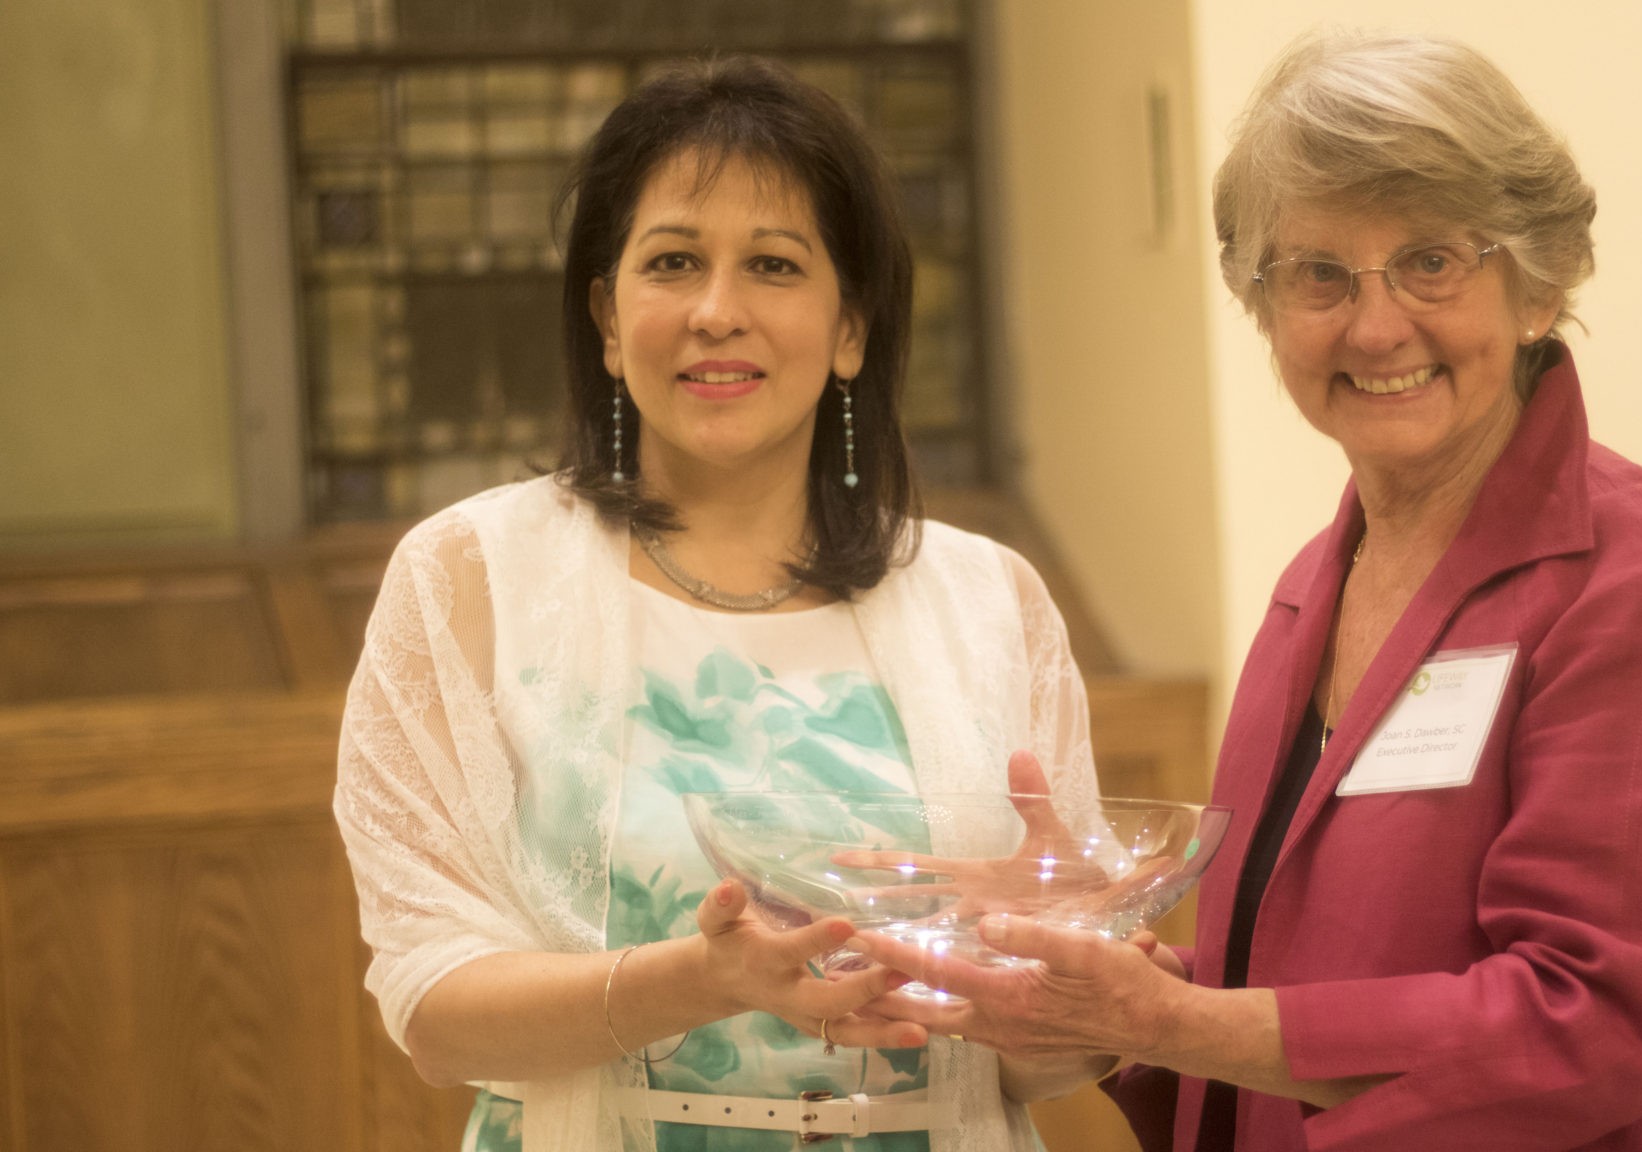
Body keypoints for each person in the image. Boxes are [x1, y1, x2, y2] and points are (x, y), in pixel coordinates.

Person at [851, 31, 1642, 1152]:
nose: (1373, 326)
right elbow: (1299, 989)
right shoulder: (1310, 592)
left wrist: (1174, 1021)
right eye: (1318, 274)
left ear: (1538, 284)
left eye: (1431, 261)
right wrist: (1090, 959)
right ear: (1264, 309)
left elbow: (1588, 1023)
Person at [333, 57, 1101, 1152]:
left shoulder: (990, 601)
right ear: (607, 319)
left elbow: (1039, 1070)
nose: (715, 311)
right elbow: (432, 1010)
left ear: (850, 327)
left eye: (773, 265)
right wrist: (696, 980)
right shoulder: (469, 578)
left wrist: (1076, 986)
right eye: (673, 262)